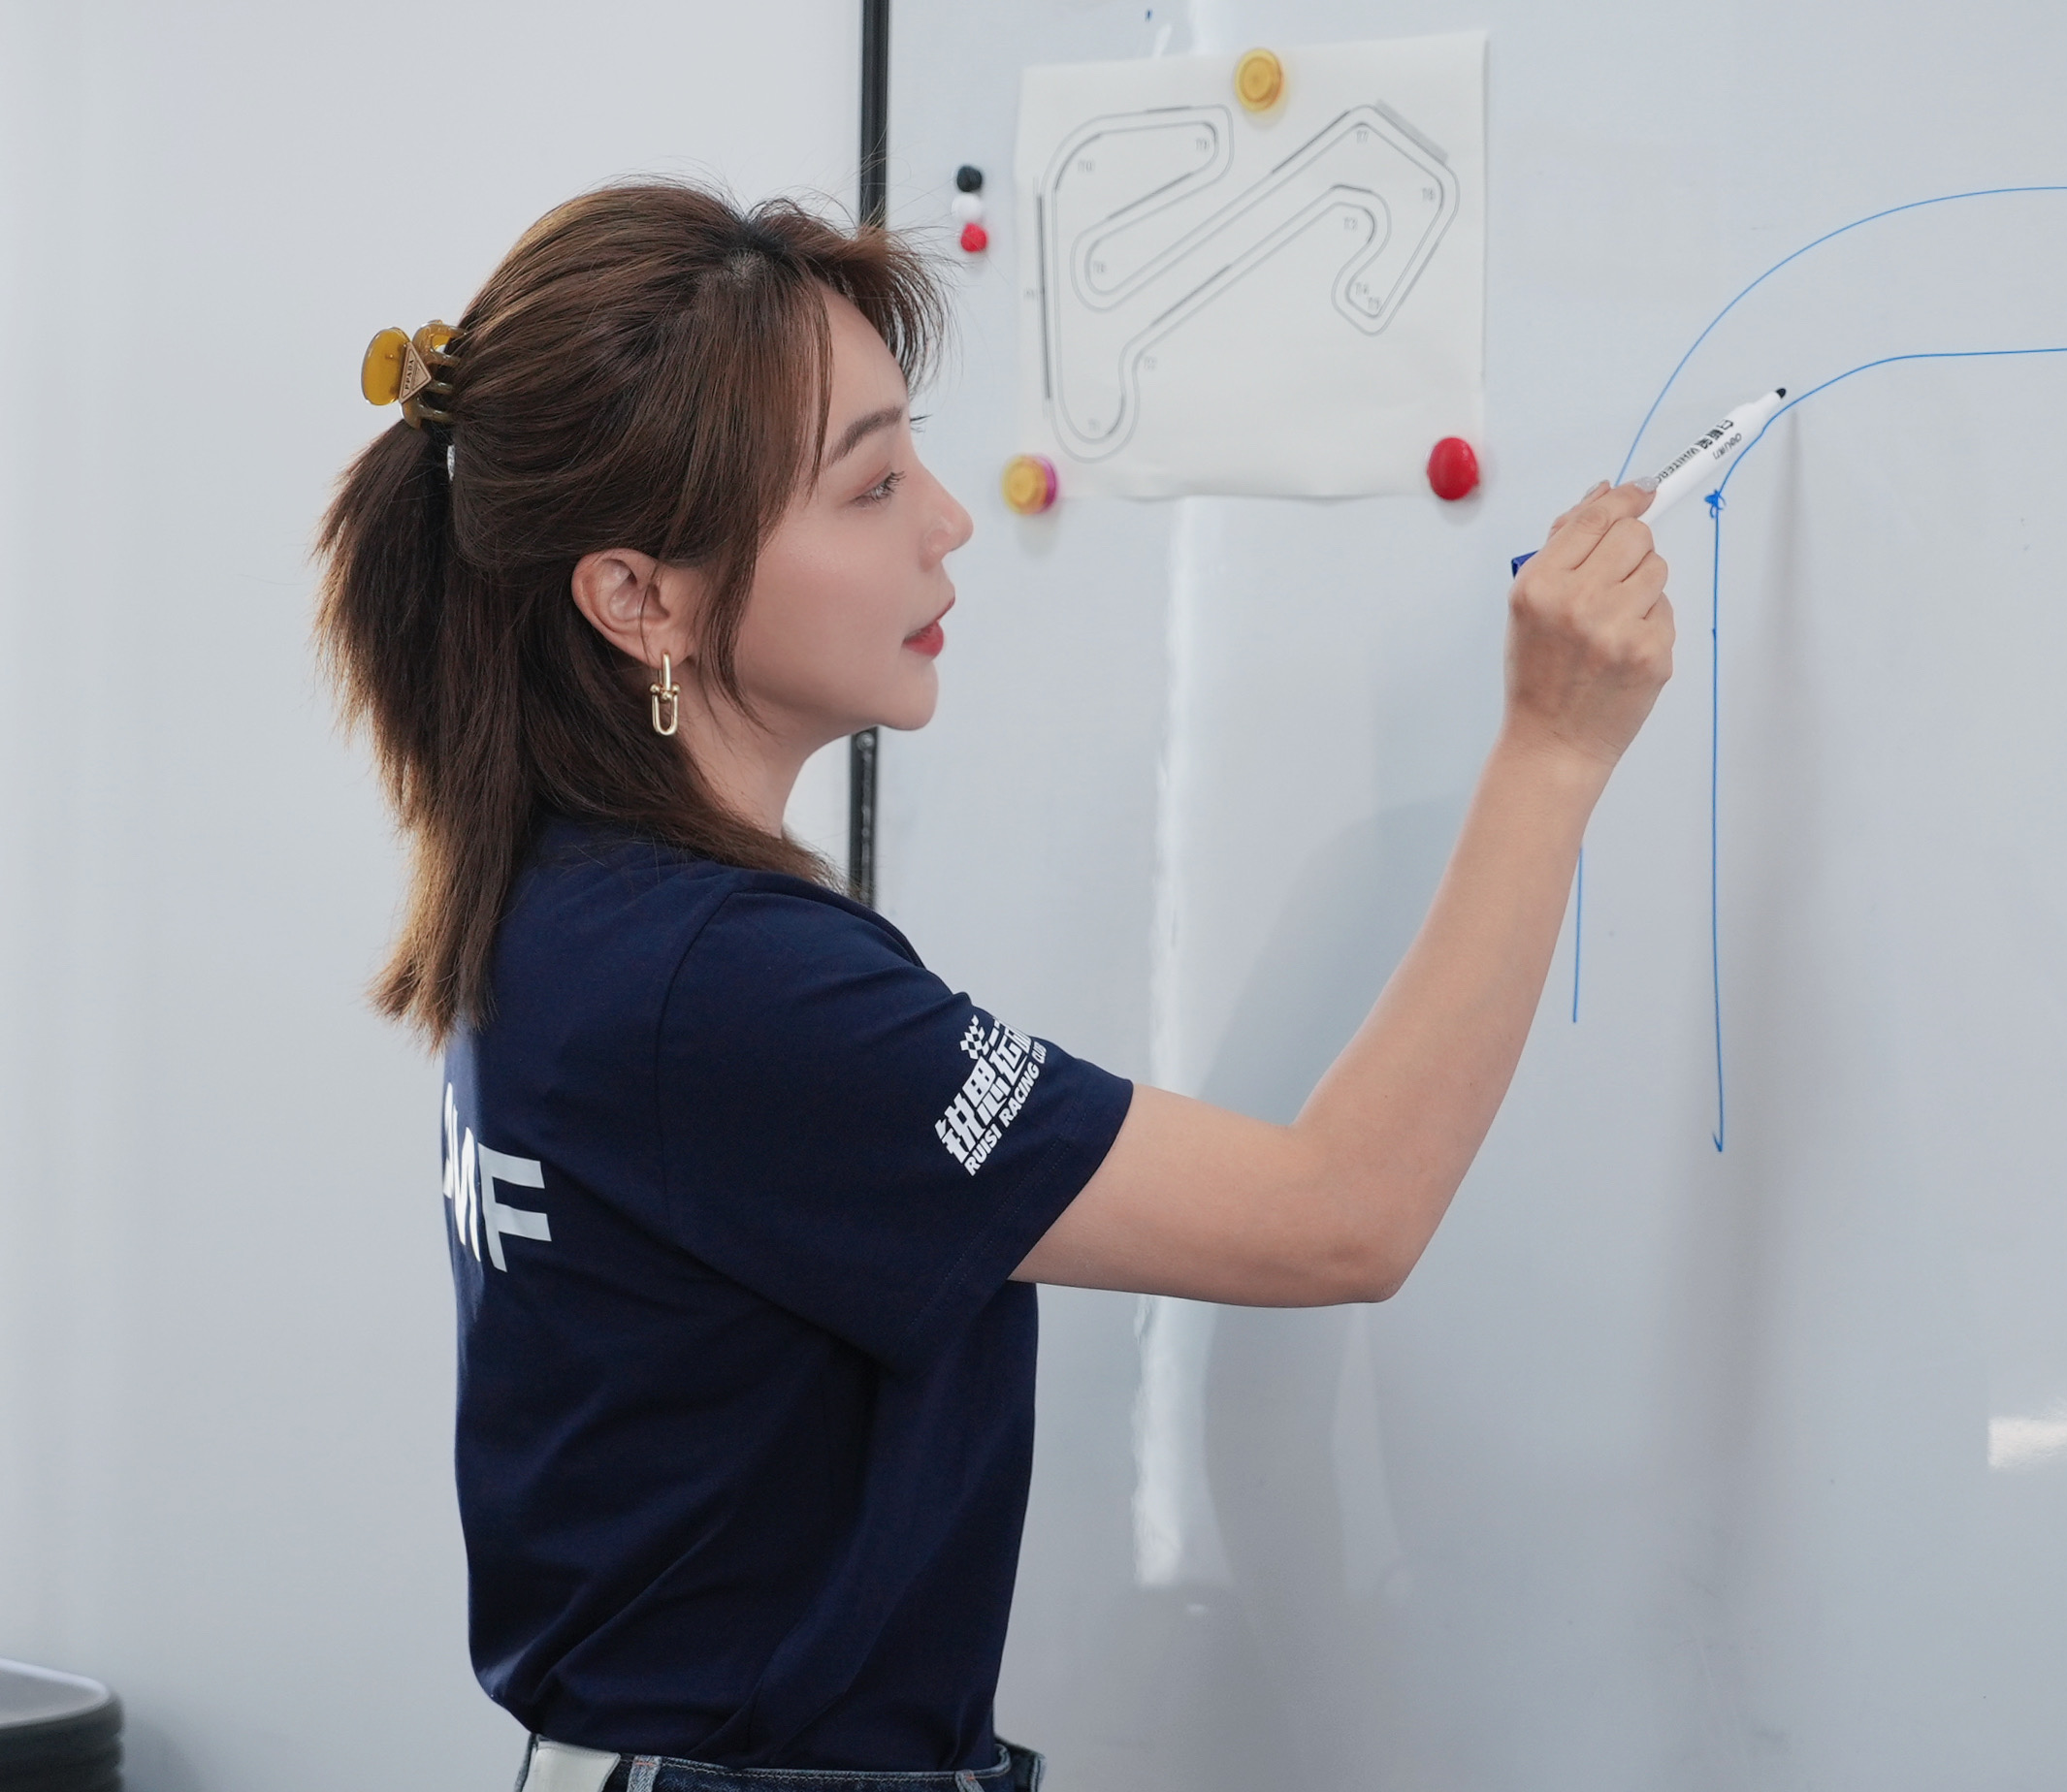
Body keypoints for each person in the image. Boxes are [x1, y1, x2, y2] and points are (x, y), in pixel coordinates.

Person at [318, 182, 1670, 1792]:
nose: (948, 520)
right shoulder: (720, 988)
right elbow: (1342, 1215)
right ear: (641, 598)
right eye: (872, 483)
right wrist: (1552, 750)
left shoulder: (569, 904)